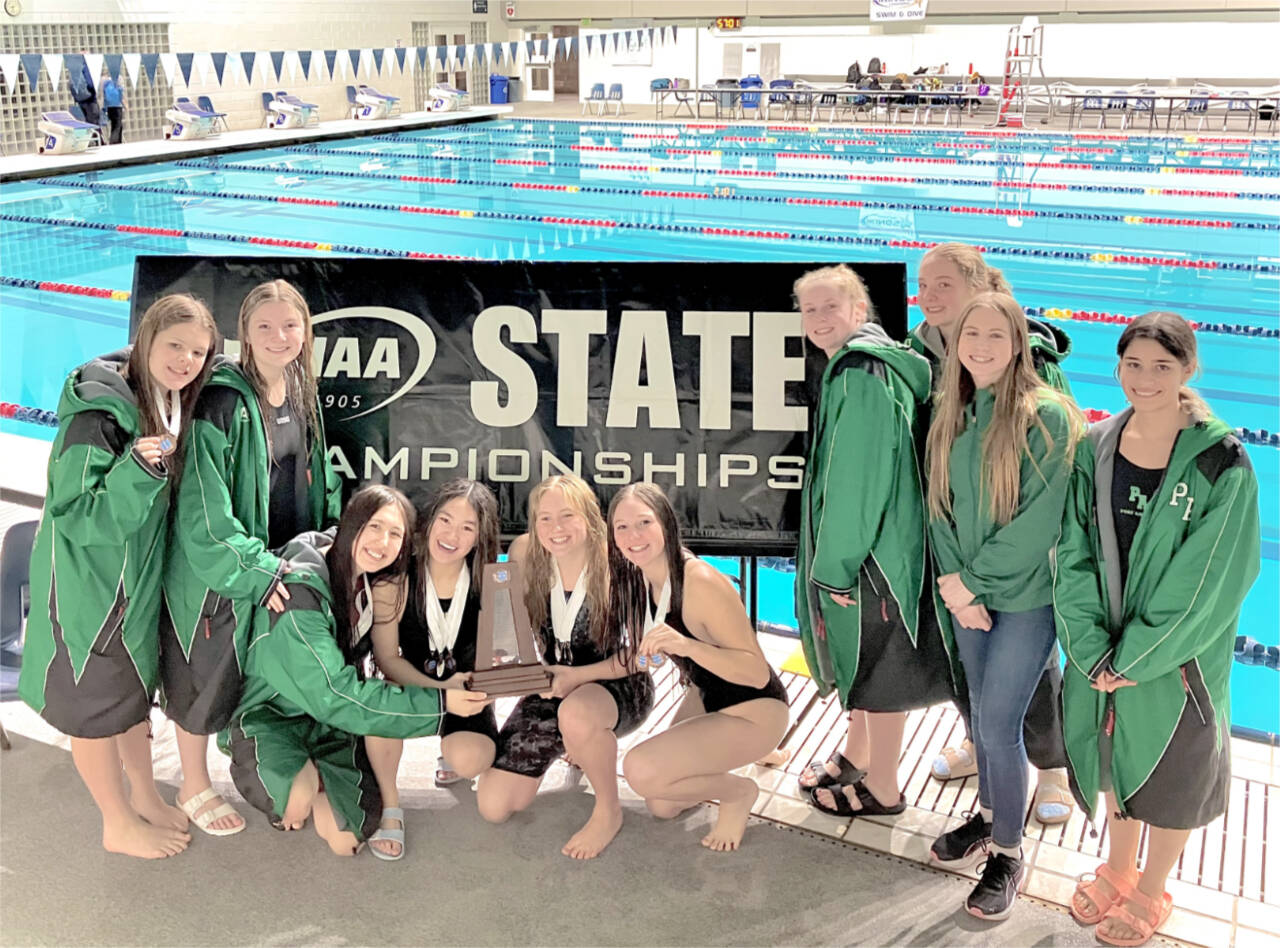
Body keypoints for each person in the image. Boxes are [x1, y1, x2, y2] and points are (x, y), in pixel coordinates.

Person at [1054, 312, 1259, 947]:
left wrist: (1137, 657)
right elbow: (1072, 552)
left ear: (1188, 370)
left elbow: (1211, 578)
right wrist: (1091, 652)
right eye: (1133, 365)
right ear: (1116, 367)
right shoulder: (1096, 447)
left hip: (1179, 659)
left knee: (1173, 772)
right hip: (1105, 651)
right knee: (1115, 758)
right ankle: (1118, 869)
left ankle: (1152, 888)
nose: (1144, 380)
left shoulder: (1221, 462)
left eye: (1162, 367)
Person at [18, 294, 218, 859]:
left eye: (198, 352)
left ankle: (146, 797)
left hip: (133, 585)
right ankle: (115, 821)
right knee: (94, 711)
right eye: (174, 345)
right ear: (145, 339)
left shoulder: (162, 398)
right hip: (92, 588)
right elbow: (78, 516)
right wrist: (138, 469)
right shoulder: (98, 415)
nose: (185, 360)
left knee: (131, 699)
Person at [924, 291, 1085, 920]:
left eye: (996, 335)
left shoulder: (1049, 417)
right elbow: (938, 506)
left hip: (1025, 600)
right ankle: (989, 817)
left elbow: (1038, 523)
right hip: (968, 596)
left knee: (998, 725)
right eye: (971, 335)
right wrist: (954, 586)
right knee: (979, 720)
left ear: (1018, 342)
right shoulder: (952, 410)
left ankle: (1010, 856)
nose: (981, 347)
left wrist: (972, 583)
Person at [162, 279, 341, 838]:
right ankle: (192, 782)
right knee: (205, 672)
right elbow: (204, 513)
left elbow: (318, 472)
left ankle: (265, 752)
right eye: (264, 326)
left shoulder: (298, 384)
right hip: (227, 566)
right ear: (244, 333)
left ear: (305, 331)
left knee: (261, 667)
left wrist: (332, 533)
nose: (279, 336)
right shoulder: (219, 399)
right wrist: (256, 570)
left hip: (282, 555)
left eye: (290, 325)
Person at [222, 485, 490, 854]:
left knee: (346, 841)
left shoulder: (366, 575)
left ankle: (314, 777)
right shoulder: (298, 596)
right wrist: (441, 704)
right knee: (294, 799)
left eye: (395, 534)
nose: (382, 542)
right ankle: (299, 782)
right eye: (375, 527)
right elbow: (336, 695)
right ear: (352, 523)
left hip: (328, 724)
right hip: (273, 713)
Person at [792, 264, 954, 821]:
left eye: (829, 306)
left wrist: (835, 565)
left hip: (870, 556)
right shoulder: (872, 363)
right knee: (867, 664)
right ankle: (857, 755)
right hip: (888, 545)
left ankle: (883, 788)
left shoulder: (860, 374)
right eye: (808, 309)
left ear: (859, 311)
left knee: (879, 671)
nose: (817, 318)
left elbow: (856, 485)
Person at [476, 474, 655, 860]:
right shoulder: (525, 552)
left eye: (567, 516)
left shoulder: (620, 561)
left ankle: (608, 809)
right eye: (545, 518)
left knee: (577, 713)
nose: (555, 528)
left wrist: (578, 678)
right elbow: (511, 631)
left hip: (615, 682)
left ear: (590, 517)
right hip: (552, 683)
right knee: (494, 806)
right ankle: (573, 742)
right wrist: (517, 664)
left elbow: (642, 654)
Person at [613, 483, 788, 853]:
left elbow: (756, 674)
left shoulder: (701, 583)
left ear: (667, 524)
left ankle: (739, 791)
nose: (633, 536)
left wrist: (685, 645)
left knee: (640, 771)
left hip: (756, 709)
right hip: (708, 694)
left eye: (644, 522)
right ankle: (748, 752)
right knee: (663, 803)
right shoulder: (643, 575)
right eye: (622, 527)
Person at [362, 478, 500, 860]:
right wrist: (441, 693)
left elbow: (502, 657)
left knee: (471, 759)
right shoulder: (396, 578)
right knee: (380, 708)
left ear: (479, 537)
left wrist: (484, 687)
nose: (453, 534)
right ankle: (390, 806)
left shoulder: (492, 580)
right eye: (446, 520)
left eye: (468, 527)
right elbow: (388, 658)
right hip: (411, 680)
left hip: (466, 689)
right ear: (428, 520)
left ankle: (450, 752)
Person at [71, 51, 100, 130]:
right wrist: (94, 91)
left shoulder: (75, 68)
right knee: (93, 123)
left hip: (80, 100)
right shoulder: (87, 67)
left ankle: (91, 140)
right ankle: (95, 141)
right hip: (90, 99)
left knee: (87, 122)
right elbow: (90, 83)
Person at [102, 73, 125, 144]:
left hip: (109, 107)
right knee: (117, 126)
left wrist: (105, 107)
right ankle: (114, 142)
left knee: (115, 125)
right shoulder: (118, 78)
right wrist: (125, 104)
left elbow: (103, 95)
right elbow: (121, 92)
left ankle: (117, 141)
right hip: (117, 106)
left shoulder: (105, 81)